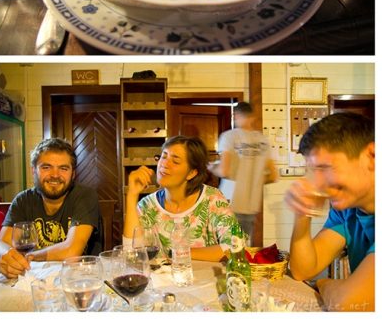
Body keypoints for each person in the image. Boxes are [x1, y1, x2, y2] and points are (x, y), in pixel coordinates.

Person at [285, 113, 374, 312]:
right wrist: (302, 213)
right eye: (313, 171)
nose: (317, 184)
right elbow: (303, 270)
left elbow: (349, 304)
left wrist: (324, 283)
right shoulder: (347, 210)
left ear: (372, 156)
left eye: (325, 168)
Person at [0, 138, 100, 278]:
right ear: (34, 171)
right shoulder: (23, 200)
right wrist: (6, 257)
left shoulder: (85, 196)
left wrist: (30, 256)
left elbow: (71, 251)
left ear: (73, 174)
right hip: (33, 279)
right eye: (46, 167)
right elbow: (1, 244)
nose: (55, 175)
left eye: (63, 168)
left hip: (79, 280)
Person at [124, 136, 239, 262]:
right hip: (161, 281)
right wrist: (132, 195)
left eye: (175, 161)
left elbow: (234, 246)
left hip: (204, 280)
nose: (164, 164)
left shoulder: (212, 199)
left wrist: (179, 252)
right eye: (164, 156)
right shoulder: (146, 206)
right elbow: (132, 255)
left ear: (192, 173)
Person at [209, 102, 278, 241]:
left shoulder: (229, 137)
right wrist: (255, 179)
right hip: (251, 205)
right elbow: (273, 175)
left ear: (236, 115)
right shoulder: (263, 141)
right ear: (253, 117)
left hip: (230, 201)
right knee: (241, 249)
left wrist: (211, 167)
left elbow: (224, 171)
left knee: (223, 249)